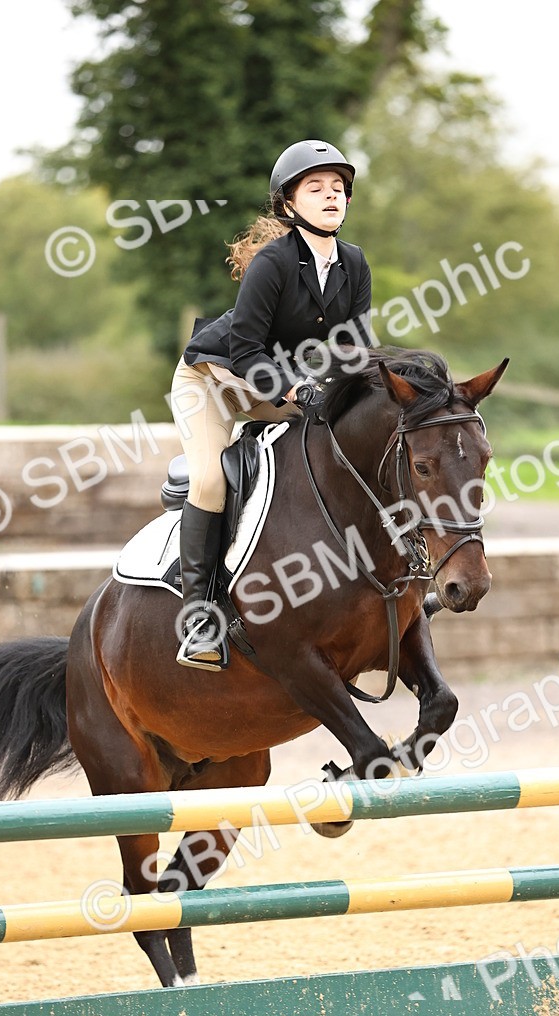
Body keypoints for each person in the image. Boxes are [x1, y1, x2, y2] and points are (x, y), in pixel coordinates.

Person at [169, 139, 373, 670]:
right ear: (289, 203)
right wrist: (294, 389)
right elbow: (244, 350)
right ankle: (198, 617)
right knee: (211, 482)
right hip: (212, 381)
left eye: (339, 188)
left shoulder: (353, 263)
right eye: (317, 187)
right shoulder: (273, 263)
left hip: (275, 384)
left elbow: (355, 349)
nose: (332, 196)